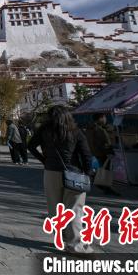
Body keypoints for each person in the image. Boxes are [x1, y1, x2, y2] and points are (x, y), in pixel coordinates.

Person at [28, 105, 94, 254]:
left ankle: (62, 239)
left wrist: (44, 160)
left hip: (51, 173)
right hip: (73, 173)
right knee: (74, 209)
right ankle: (75, 244)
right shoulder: (76, 131)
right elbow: (86, 155)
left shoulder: (44, 131)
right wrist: (87, 172)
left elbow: (31, 146)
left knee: (55, 208)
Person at [86, 114, 119, 196]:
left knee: (100, 170)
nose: (105, 120)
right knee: (106, 170)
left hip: (94, 153)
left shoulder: (89, 129)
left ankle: (104, 186)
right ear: (100, 118)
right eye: (104, 118)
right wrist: (110, 152)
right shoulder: (100, 130)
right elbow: (105, 143)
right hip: (102, 154)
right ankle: (106, 187)